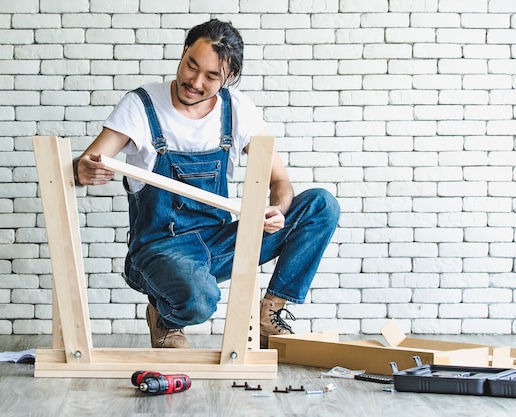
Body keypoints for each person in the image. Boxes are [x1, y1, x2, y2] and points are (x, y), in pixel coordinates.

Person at [74, 19, 340, 349]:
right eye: (191, 66)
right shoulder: (141, 106)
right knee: (201, 299)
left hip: (219, 243)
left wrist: (278, 209)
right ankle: (165, 316)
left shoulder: (237, 110)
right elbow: (86, 163)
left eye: (211, 76)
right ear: (184, 52)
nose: (195, 82)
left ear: (228, 78)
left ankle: (269, 312)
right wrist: (81, 171)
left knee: (321, 204)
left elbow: (280, 180)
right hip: (159, 251)